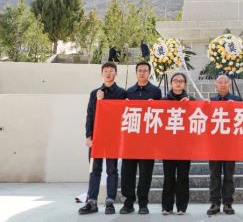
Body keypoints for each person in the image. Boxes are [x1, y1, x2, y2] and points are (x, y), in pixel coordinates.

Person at [79, 62, 127, 215]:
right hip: (96, 138)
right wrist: (88, 135)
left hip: (113, 137)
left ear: (116, 73)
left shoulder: (121, 93)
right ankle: (91, 201)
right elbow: (90, 115)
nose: (108, 73)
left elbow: (120, 114)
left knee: (112, 170)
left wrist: (103, 102)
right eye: (105, 71)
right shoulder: (95, 93)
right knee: (95, 170)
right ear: (101, 74)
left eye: (111, 71)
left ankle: (110, 202)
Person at [120, 61, 162, 215]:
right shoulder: (129, 92)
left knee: (145, 173)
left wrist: (155, 105)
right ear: (136, 73)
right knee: (127, 173)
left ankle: (143, 203)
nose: (142, 73)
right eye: (140, 70)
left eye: (145, 71)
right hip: (130, 139)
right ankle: (128, 203)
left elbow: (161, 114)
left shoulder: (156, 92)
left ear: (149, 73)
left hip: (147, 140)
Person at [207, 75, 242, 216]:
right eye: (219, 82)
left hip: (230, 144)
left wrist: (236, 106)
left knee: (228, 175)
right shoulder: (210, 101)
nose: (222, 84)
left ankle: (228, 203)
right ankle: (214, 203)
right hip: (214, 144)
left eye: (225, 82)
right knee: (214, 175)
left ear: (229, 84)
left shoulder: (237, 100)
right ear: (215, 86)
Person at [161, 72, 194, 215]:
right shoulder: (163, 100)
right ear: (171, 83)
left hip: (185, 146)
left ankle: (181, 207)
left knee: (183, 177)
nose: (178, 83)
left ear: (185, 84)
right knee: (168, 177)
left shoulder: (192, 100)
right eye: (175, 80)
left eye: (181, 81)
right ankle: (167, 207)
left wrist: (189, 106)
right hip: (167, 145)